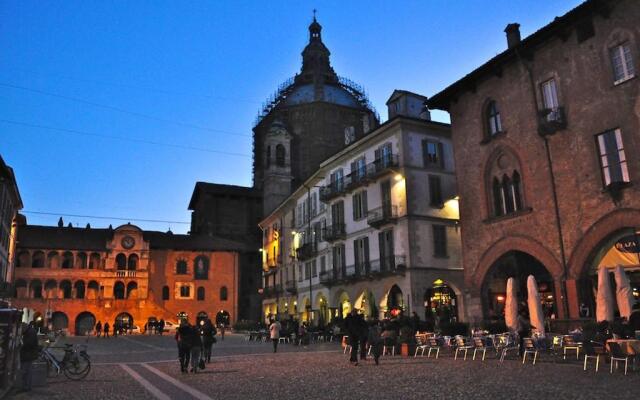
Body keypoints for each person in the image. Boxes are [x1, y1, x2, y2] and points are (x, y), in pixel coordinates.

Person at [19, 322, 39, 393]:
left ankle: (26, 387)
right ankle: (26, 386)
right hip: (28, 354)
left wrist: (21, 343)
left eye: (21, 330)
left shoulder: (30, 332)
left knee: (26, 371)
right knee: (27, 371)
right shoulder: (29, 331)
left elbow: (28, 344)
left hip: (28, 355)